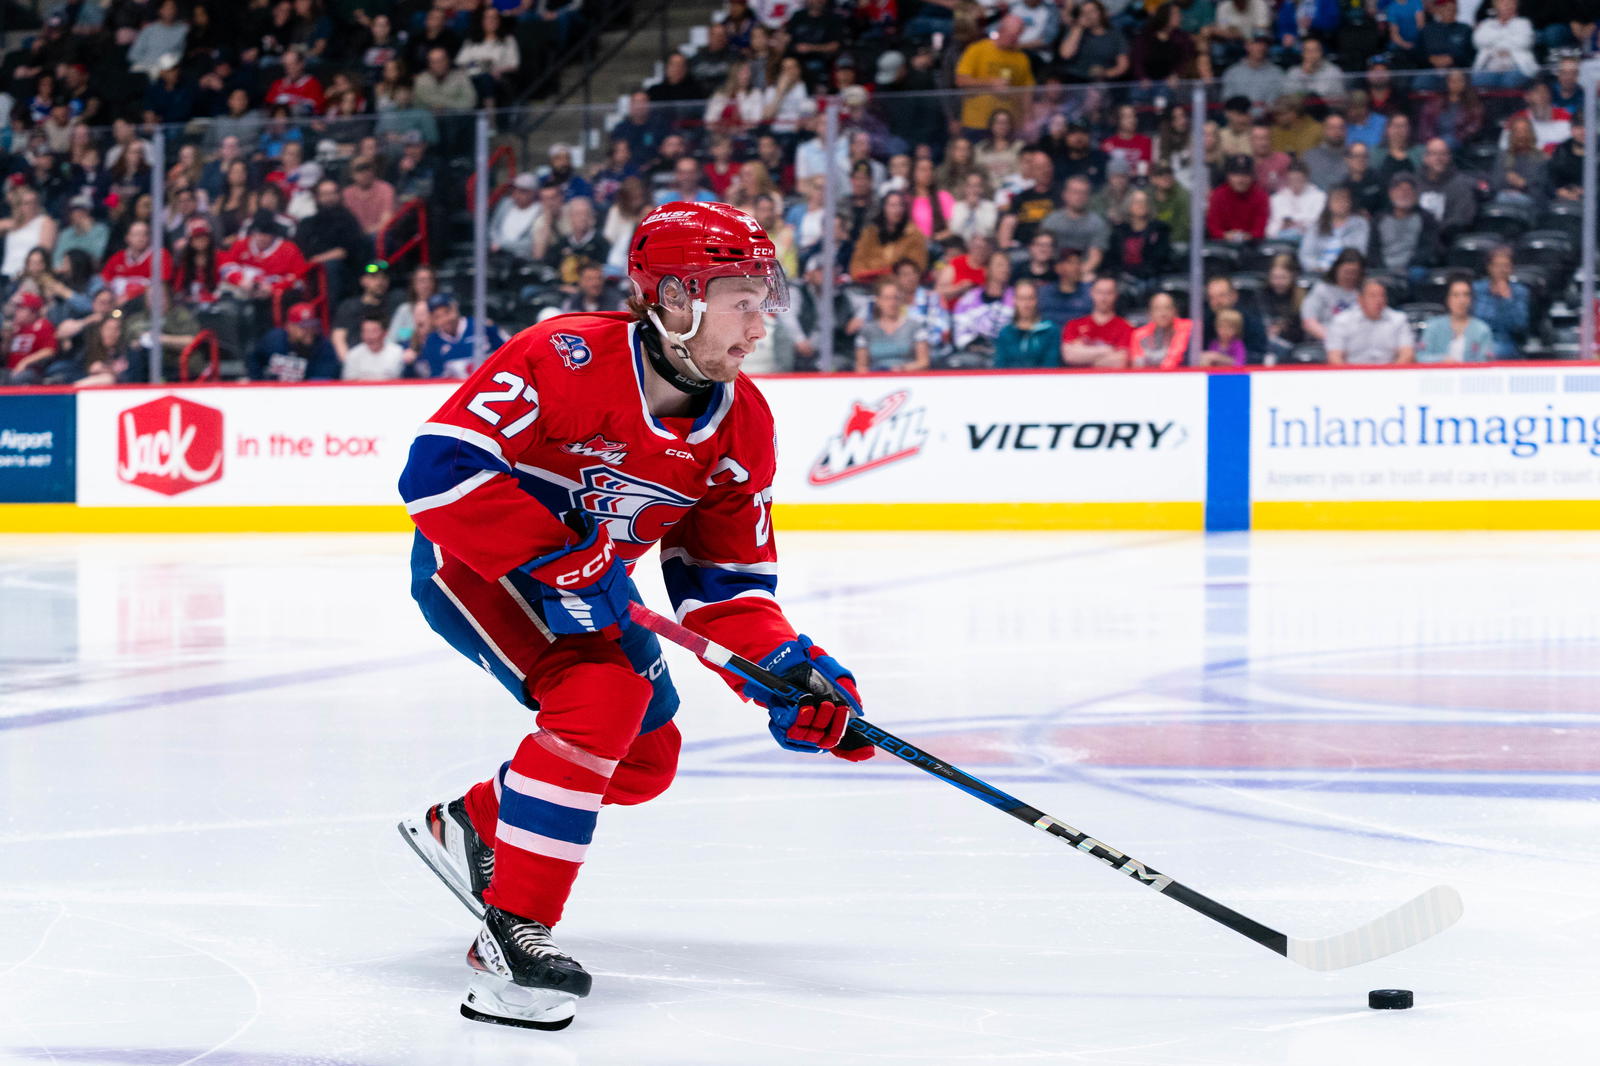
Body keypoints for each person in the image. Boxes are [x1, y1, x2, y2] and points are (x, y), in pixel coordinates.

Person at [395, 200, 874, 1031]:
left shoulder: (743, 424)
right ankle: (512, 941)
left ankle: (473, 825)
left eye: (768, 301)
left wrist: (789, 673)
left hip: (589, 587)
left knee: (644, 762)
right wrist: (554, 554)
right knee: (603, 699)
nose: (763, 322)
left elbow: (724, 588)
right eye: (744, 300)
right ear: (677, 298)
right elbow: (438, 473)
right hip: (480, 567)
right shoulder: (564, 355)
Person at [954, 14, 1034, 139]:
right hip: (977, 123)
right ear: (1001, 30)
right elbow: (960, 80)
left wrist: (1027, 118)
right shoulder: (977, 49)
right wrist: (990, 83)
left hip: (1008, 125)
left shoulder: (1021, 58)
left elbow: (1027, 91)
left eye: (1018, 35)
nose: (1015, 40)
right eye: (1012, 36)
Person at [1367, 174, 1442, 282]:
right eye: (1399, 190)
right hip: (1383, 273)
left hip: (1413, 273)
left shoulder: (1426, 218)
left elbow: (1428, 247)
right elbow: (1373, 249)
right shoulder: (1379, 219)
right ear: (1391, 193)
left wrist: (1409, 268)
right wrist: (1383, 270)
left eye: (1408, 190)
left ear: (1415, 194)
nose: (1403, 194)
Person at [1326, 277, 1415, 364]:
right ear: (1360, 299)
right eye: (1373, 296)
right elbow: (1334, 357)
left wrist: (1392, 374)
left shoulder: (1399, 319)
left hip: (1390, 373)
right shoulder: (1342, 321)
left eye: (1382, 295)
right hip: (1352, 374)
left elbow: (1407, 353)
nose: (1379, 300)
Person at [418, 292, 508, 378]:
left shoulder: (481, 325)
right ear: (432, 320)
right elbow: (436, 376)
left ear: (455, 308)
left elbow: (508, 350)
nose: (445, 319)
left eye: (447, 312)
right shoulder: (432, 342)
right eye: (437, 316)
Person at [247, 301, 340, 381]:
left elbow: (322, 382)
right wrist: (259, 383)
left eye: (312, 326)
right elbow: (253, 359)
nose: (309, 331)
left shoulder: (324, 347)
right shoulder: (274, 339)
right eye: (303, 327)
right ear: (289, 327)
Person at [854, 277, 930, 372]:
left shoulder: (915, 327)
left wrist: (902, 369)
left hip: (907, 379)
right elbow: (861, 366)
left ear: (901, 300)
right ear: (878, 301)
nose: (892, 303)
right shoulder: (867, 331)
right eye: (887, 298)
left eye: (895, 298)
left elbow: (923, 362)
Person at [332, 260, 404, 359]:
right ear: (363, 281)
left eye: (384, 278)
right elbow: (338, 337)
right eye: (374, 277)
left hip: (388, 362)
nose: (380, 282)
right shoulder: (349, 306)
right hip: (357, 363)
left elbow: (404, 332)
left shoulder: (395, 303)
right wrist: (348, 362)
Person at [849, 191, 928, 281]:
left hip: (901, 285)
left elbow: (917, 265)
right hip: (870, 284)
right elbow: (857, 265)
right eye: (893, 206)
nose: (897, 210)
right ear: (884, 208)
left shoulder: (914, 234)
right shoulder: (869, 233)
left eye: (900, 205)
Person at [1039, 176, 1110, 276]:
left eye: (1083, 193)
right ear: (1065, 194)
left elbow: (1095, 258)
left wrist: (1074, 275)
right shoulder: (1051, 221)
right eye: (1075, 192)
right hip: (1053, 272)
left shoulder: (1097, 223)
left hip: (1083, 273)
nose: (1079, 196)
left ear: (1089, 197)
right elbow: (1043, 251)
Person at [1417, 276, 1494, 363]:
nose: (1461, 300)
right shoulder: (1433, 326)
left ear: (1471, 300)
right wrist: (1442, 360)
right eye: (1456, 295)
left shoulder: (1482, 329)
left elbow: (1486, 361)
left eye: (1466, 295)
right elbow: (1421, 357)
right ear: (1448, 299)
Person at [1471, 245, 1530, 359]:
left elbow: (1519, 325)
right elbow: (1471, 318)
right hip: (1476, 338)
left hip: (1504, 341)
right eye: (1497, 266)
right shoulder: (1476, 289)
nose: (1501, 270)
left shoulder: (1519, 292)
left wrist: (1507, 300)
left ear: (1511, 268)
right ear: (1489, 267)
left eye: (1506, 266)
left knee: (1495, 351)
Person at [1299, 186, 1370, 275]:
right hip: (1319, 273)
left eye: (1344, 199)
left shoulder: (1360, 224)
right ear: (1329, 203)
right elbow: (1306, 254)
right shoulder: (1316, 226)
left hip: (1348, 273)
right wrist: (1316, 268)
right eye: (1337, 200)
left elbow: (1360, 252)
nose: (1341, 203)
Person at [1060, 276, 1131, 367]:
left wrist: (1083, 354)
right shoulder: (1074, 325)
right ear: (1091, 293)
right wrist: (1107, 350)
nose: (1103, 298)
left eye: (1109, 293)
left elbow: (1120, 360)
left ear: (1116, 295)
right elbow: (1069, 356)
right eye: (1099, 292)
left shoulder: (1125, 326)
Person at [1301, 249, 1366, 343]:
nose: (1350, 276)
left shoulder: (1365, 291)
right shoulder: (1321, 289)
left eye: (1354, 272)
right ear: (1336, 269)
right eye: (1346, 272)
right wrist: (1334, 340)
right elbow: (1309, 323)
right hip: (1325, 341)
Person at [1471, 0, 1536, 90]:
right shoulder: (1486, 24)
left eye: (1511, 3)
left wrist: (1495, 41)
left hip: (1517, 67)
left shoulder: (1524, 23)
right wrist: (1508, 37)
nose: (1508, 6)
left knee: (1509, 80)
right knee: (1478, 79)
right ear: (1496, 6)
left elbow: (1524, 42)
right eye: (1504, 3)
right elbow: (1478, 41)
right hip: (1490, 66)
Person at [1058, 0, 1128, 83]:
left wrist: (1105, 73)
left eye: (1092, 11)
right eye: (1083, 13)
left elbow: (1122, 66)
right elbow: (1066, 54)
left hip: (1103, 82)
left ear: (1102, 13)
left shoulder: (1115, 35)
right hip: (1075, 80)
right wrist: (1079, 28)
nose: (1087, 16)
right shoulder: (1074, 30)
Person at [1206, 155, 1269, 243]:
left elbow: (1260, 230)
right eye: (1236, 175)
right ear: (1228, 176)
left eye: (1245, 175)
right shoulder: (1218, 195)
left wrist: (1248, 236)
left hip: (1252, 246)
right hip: (1223, 245)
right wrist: (1225, 235)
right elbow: (1213, 228)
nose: (1241, 180)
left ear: (1252, 177)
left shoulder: (1261, 196)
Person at [3, 292, 58, 384]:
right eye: (17, 308)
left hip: (31, 371)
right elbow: (5, 354)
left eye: (21, 308)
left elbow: (49, 351)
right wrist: (6, 339)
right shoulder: (15, 328)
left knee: (17, 379)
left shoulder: (43, 325)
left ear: (33, 312)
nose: (17, 312)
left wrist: (25, 362)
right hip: (10, 370)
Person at [1128, 292, 1192, 369]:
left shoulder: (1186, 327)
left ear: (1175, 311)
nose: (1163, 313)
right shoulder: (1139, 335)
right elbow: (1137, 364)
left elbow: (1175, 358)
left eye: (1167, 308)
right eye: (1157, 309)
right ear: (1150, 313)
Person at [1267, 162, 1327, 243]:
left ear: (1306, 178)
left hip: (1309, 241)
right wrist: (1281, 227)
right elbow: (1270, 227)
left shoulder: (1320, 197)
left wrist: (1298, 225)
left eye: (1298, 180)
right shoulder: (1276, 198)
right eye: (1291, 180)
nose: (1295, 184)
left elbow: (1319, 223)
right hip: (1280, 242)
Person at [342, 313, 411, 379]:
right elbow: (348, 383)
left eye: (374, 331)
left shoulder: (397, 353)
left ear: (385, 333)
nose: (369, 336)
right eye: (366, 331)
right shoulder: (353, 354)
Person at [1037, 247, 1093, 326]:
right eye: (1071, 263)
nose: (1076, 267)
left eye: (1078, 263)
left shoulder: (1089, 293)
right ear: (1058, 267)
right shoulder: (1044, 293)